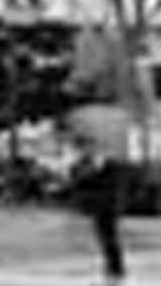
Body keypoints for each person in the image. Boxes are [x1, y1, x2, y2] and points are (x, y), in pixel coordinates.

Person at [66, 106, 129, 286]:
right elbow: (81, 177)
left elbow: (96, 179)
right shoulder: (92, 162)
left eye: (86, 146)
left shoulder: (104, 162)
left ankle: (115, 270)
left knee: (109, 235)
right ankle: (112, 269)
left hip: (107, 203)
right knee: (105, 235)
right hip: (101, 203)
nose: (84, 150)